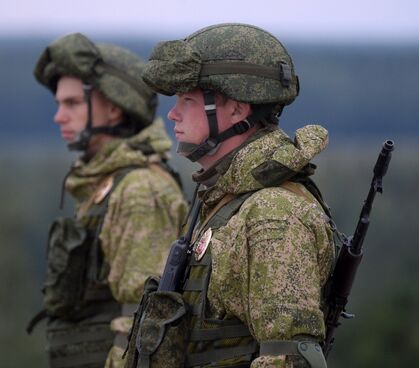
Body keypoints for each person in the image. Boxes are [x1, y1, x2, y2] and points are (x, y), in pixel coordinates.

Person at [126, 23, 335, 368]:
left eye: (187, 100)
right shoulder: (222, 200)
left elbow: (285, 358)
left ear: (237, 109)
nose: (172, 114)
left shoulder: (274, 212)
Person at [27, 33, 188, 368]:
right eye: (59, 104)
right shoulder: (107, 184)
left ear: (115, 108)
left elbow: (143, 320)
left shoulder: (140, 190)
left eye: (71, 103)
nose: (59, 116)